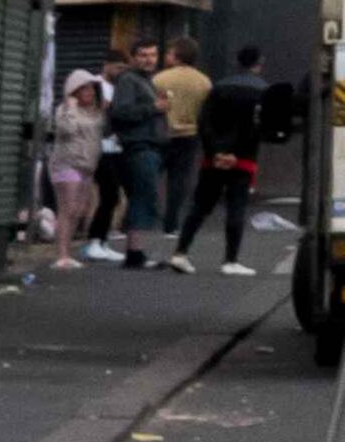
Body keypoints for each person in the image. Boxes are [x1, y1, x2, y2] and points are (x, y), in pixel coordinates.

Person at [174, 43, 274, 274]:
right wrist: (236, 153)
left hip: (213, 158)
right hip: (244, 159)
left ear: (237, 62)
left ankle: (180, 252)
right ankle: (230, 260)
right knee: (236, 206)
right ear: (259, 64)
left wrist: (217, 150)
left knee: (200, 206)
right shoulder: (263, 91)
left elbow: (204, 121)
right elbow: (259, 128)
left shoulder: (219, 88)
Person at [92, 44, 168, 267]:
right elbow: (121, 112)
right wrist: (154, 107)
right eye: (143, 55)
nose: (149, 59)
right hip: (138, 147)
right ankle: (134, 253)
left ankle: (136, 252)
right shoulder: (129, 80)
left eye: (153, 55)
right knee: (142, 197)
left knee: (142, 197)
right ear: (133, 58)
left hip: (150, 147)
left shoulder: (147, 81)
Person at [154, 37, 213, 259]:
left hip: (164, 133)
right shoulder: (204, 82)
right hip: (190, 134)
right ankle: (171, 223)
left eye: (169, 52)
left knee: (152, 175)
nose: (166, 56)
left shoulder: (160, 79)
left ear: (177, 55)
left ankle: (147, 218)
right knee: (179, 181)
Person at [44, 68, 108, 270]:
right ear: (74, 91)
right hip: (67, 163)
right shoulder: (64, 109)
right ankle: (61, 254)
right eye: (84, 89)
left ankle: (67, 252)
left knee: (79, 210)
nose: (88, 93)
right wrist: (70, 108)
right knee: (68, 208)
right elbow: (66, 130)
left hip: (88, 165)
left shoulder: (97, 111)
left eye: (91, 89)